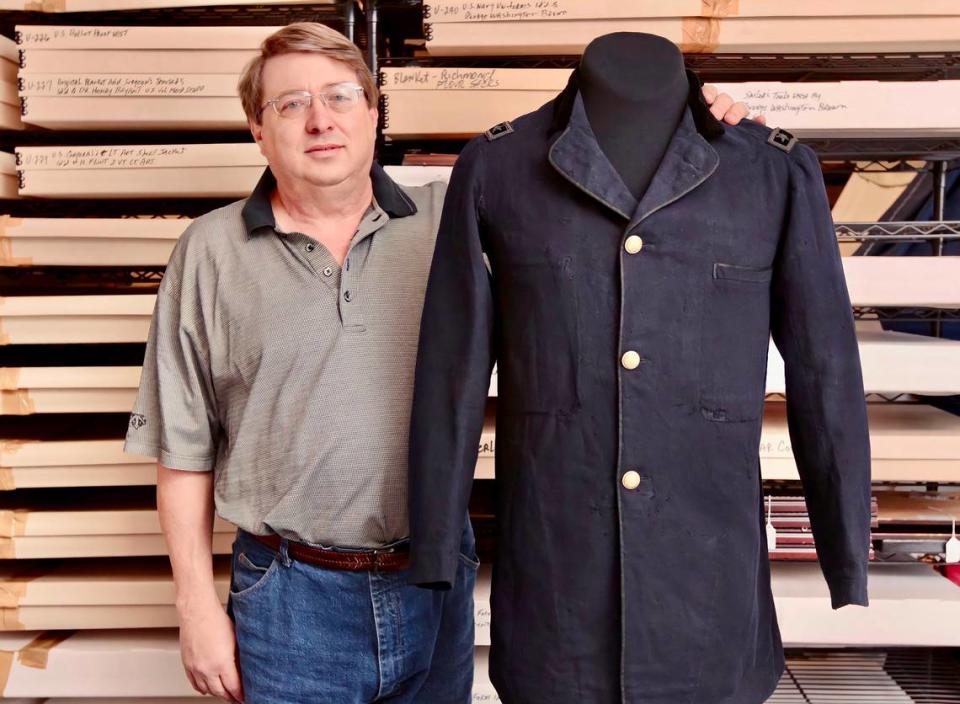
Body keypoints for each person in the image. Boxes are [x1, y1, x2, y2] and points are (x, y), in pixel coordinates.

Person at [124, 21, 760, 704]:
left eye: (340, 97)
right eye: (290, 104)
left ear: (373, 114)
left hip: (435, 578)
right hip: (290, 595)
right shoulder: (209, 253)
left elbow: (585, 178)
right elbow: (183, 449)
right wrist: (195, 610)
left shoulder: (452, 218)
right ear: (257, 128)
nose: (320, 121)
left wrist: (684, 119)